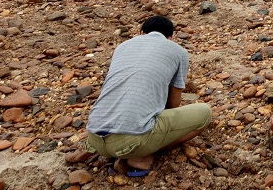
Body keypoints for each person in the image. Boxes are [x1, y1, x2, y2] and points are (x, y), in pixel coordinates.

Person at [84, 16, 212, 176]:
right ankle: (140, 156)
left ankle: (111, 150)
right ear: (170, 37)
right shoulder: (179, 52)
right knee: (205, 114)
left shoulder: (122, 47)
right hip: (130, 142)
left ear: (142, 33)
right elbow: (174, 103)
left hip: (94, 138)